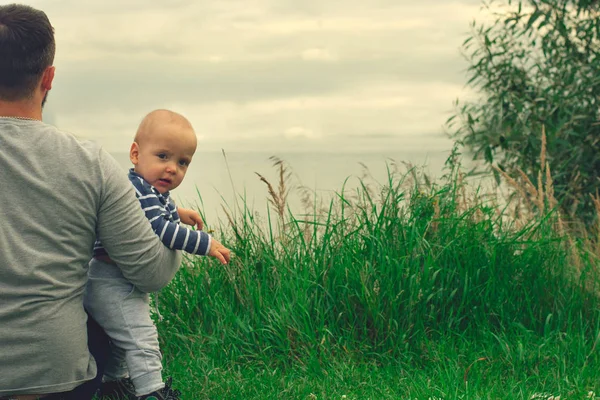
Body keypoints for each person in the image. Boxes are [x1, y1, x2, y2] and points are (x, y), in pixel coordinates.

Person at [0, 4, 183, 399]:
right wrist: (175, 232)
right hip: (59, 378)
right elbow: (152, 275)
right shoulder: (90, 163)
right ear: (48, 77)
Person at [84, 109, 231, 399]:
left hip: (118, 280)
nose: (172, 168)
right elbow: (159, 228)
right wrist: (205, 243)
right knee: (141, 338)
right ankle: (152, 391)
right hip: (110, 282)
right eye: (163, 156)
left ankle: (114, 386)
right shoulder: (135, 189)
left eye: (182, 162)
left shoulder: (147, 191)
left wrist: (179, 210)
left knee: (122, 339)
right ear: (136, 154)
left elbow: (153, 213)